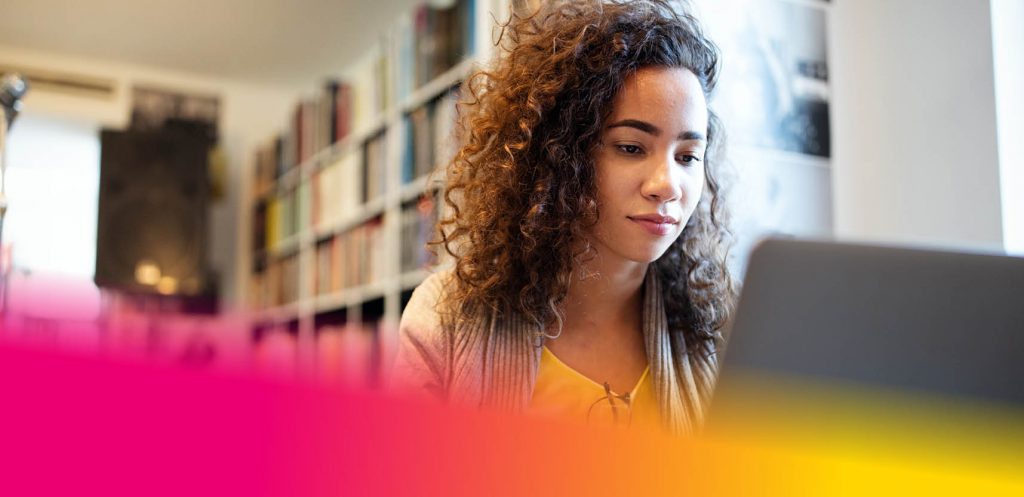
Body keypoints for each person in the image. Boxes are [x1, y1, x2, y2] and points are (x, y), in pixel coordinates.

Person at [391, 0, 735, 435]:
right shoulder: (446, 318)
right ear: (559, 155)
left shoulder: (722, 326)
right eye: (631, 147)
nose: (667, 184)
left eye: (688, 156)